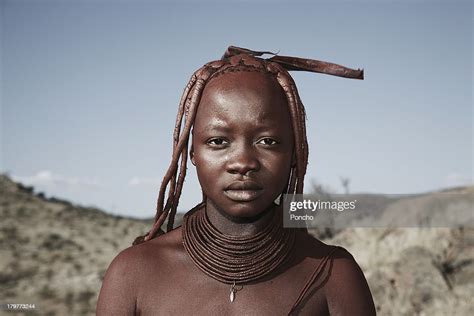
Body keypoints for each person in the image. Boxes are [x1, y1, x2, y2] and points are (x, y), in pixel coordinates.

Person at [96, 46, 376, 315]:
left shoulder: (334, 276)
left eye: (267, 141)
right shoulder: (133, 273)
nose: (243, 162)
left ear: (294, 152)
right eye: (218, 141)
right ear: (193, 152)